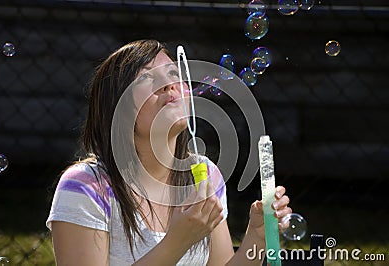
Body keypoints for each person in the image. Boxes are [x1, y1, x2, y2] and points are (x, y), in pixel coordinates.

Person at [46, 39, 292, 266]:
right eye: (146, 78)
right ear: (116, 109)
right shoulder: (87, 186)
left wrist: (257, 237)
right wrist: (177, 242)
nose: (168, 84)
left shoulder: (204, 176)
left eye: (173, 74)